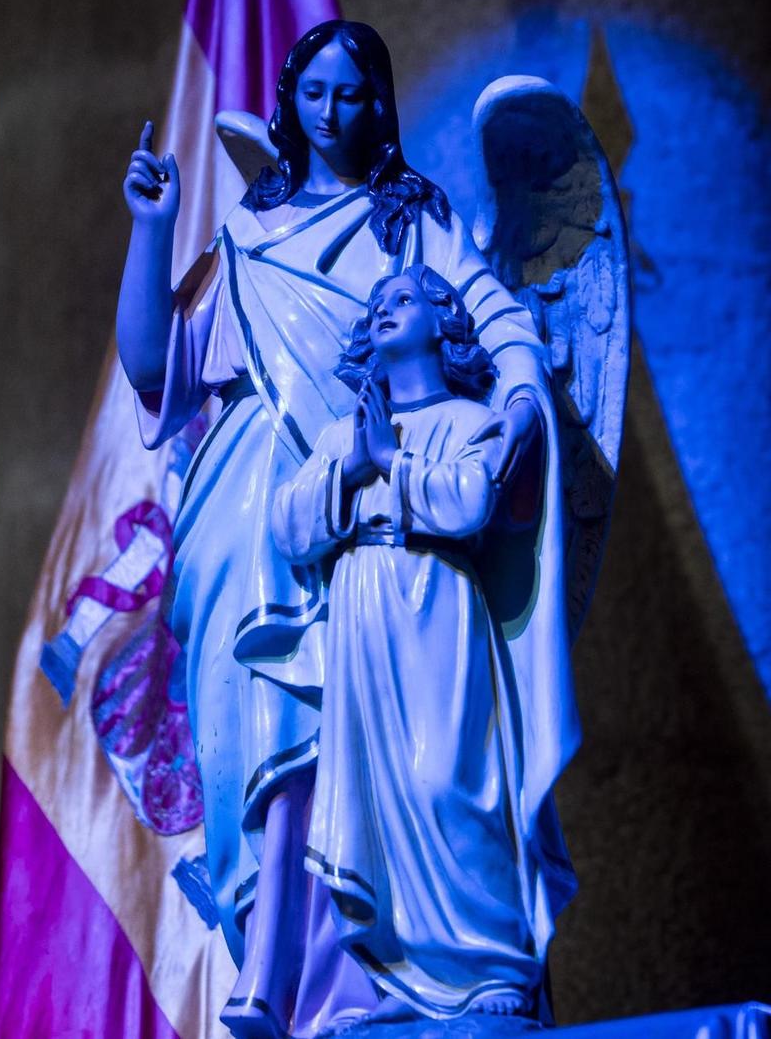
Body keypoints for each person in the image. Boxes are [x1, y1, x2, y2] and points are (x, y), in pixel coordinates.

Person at [115, 20, 577, 1036]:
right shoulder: (247, 233)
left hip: (371, 505)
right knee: (251, 726)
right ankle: (276, 971)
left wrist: (516, 398)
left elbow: (496, 316)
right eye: (314, 91)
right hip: (250, 501)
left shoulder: (410, 220)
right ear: (290, 99)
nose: (332, 112)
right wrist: (153, 229)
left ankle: (372, 977)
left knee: (375, 733)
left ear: (381, 104)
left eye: (353, 92)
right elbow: (155, 367)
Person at [270, 265, 544, 1025]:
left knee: (446, 778)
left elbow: (470, 502)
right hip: (363, 609)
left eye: (404, 299)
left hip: (437, 602)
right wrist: (355, 465)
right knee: (375, 798)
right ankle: (405, 980)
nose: (384, 309)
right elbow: (288, 526)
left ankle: (491, 963)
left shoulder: (468, 419)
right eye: (376, 305)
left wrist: (394, 461)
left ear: (443, 319)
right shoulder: (343, 435)